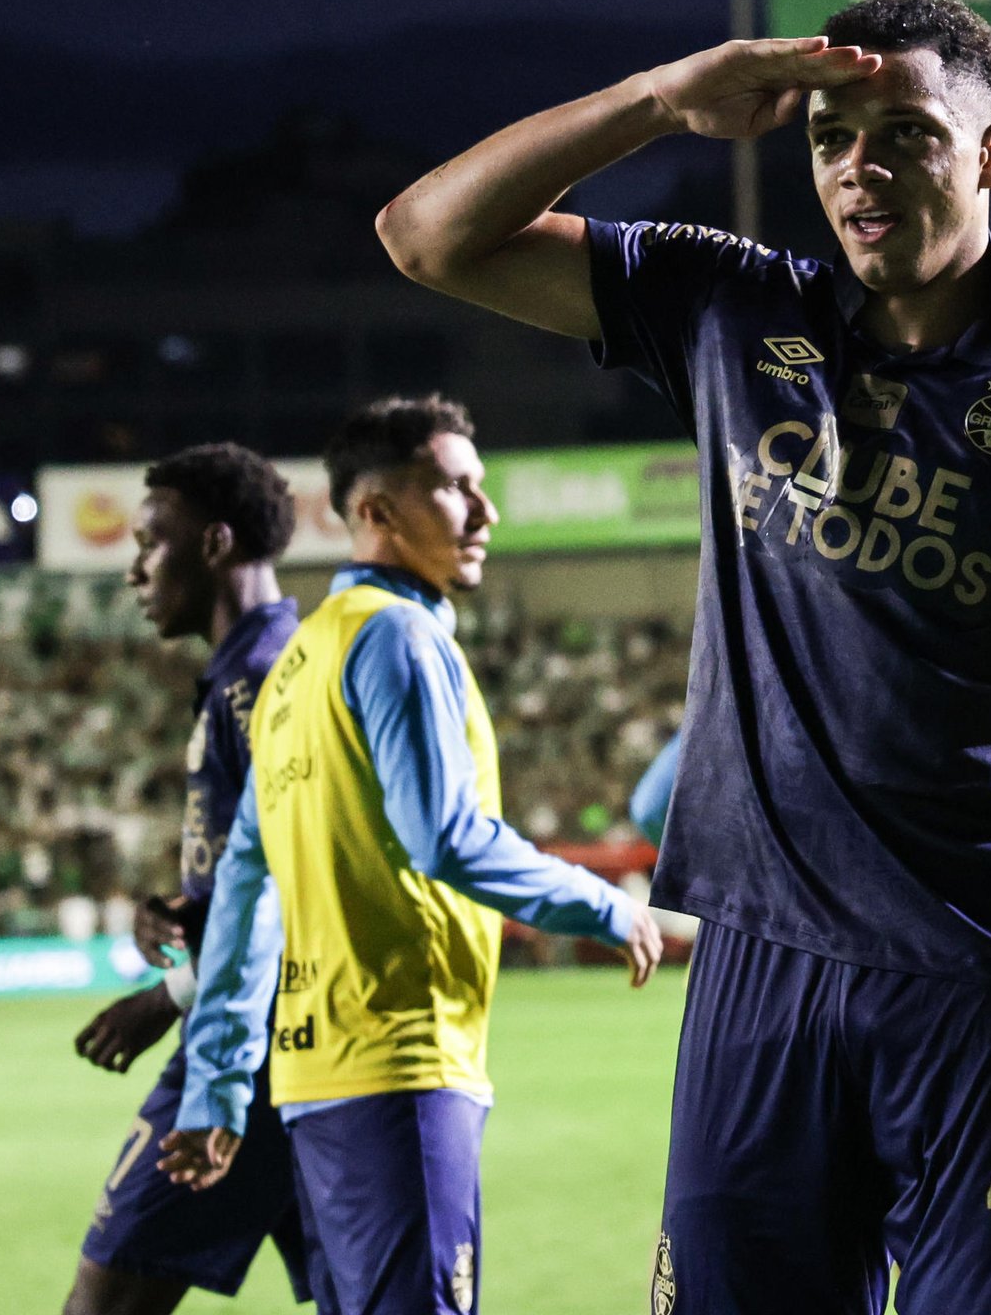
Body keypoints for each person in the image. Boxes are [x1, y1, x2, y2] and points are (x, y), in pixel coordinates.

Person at [370, 0, 991, 1312]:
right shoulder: (728, 311)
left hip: (989, 981)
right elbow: (426, 238)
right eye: (832, 136)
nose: (859, 168)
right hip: (758, 971)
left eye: (903, 133)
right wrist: (661, 98)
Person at [162, 397, 661, 1315]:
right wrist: (610, 905)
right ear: (376, 513)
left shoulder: (298, 663)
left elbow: (243, 890)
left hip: (316, 1078)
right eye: (453, 488)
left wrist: (221, 1086)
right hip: (400, 1063)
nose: (484, 511)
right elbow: (446, 837)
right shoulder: (398, 638)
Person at [68, 444, 311, 1315]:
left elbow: (294, 893)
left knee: (105, 1302)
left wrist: (168, 994)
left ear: (213, 545)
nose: (133, 570)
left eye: (150, 543)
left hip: (252, 1045)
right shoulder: (250, 670)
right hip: (298, 1047)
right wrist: (184, 912)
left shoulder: (263, 681)